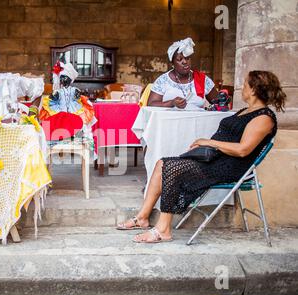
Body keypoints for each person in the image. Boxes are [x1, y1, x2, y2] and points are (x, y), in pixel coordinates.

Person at [117, 70, 286, 243]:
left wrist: (209, 142)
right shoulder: (245, 111)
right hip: (217, 160)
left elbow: (243, 150)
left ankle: (163, 230)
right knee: (162, 163)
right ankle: (143, 218)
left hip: (230, 166)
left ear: (254, 90)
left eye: (245, 84)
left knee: (171, 168)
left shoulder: (264, 117)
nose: (242, 88)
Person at [148, 37, 219, 110]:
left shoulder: (202, 79)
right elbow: (151, 104)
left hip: (197, 120)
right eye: (179, 59)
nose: (185, 62)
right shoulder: (163, 80)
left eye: (187, 58)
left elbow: (219, 103)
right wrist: (171, 103)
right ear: (172, 63)